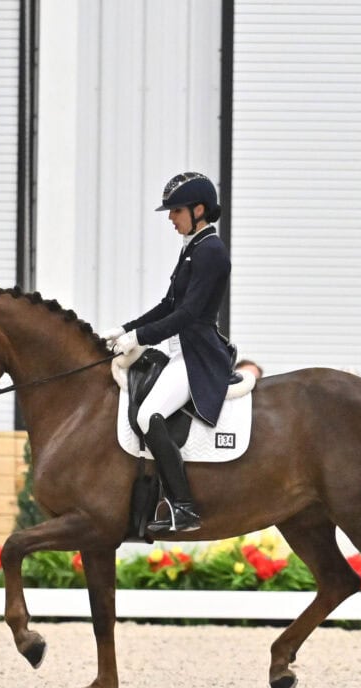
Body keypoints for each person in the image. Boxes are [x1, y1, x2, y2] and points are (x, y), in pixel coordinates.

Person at [104, 172, 232, 533]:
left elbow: (188, 315)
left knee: (149, 415)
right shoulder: (193, 247)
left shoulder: (211, 250)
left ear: (199, 210)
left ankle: (184, 507)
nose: (171, 219)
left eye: (176, 211)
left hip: (197, 355)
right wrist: (128, 329)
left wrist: (141, 337)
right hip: (181, 351)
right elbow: (168, 304)